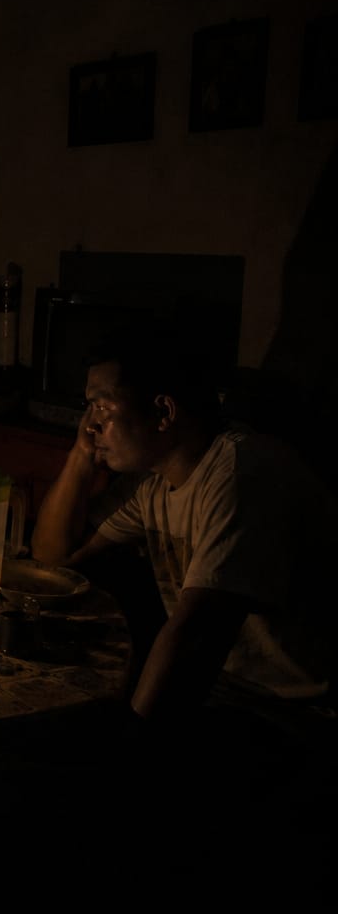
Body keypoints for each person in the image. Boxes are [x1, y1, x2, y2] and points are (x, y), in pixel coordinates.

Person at [29, 325, 336, 850]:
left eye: (102, 407)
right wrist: (82, 454)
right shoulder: (153, 484)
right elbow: (53, 560)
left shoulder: (242, 473)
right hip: (225, 695)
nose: (91, 423)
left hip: (294, 714)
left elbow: (196, 631)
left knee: (98, 792)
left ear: (164, 412)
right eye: (87, 409)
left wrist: (133, 746)